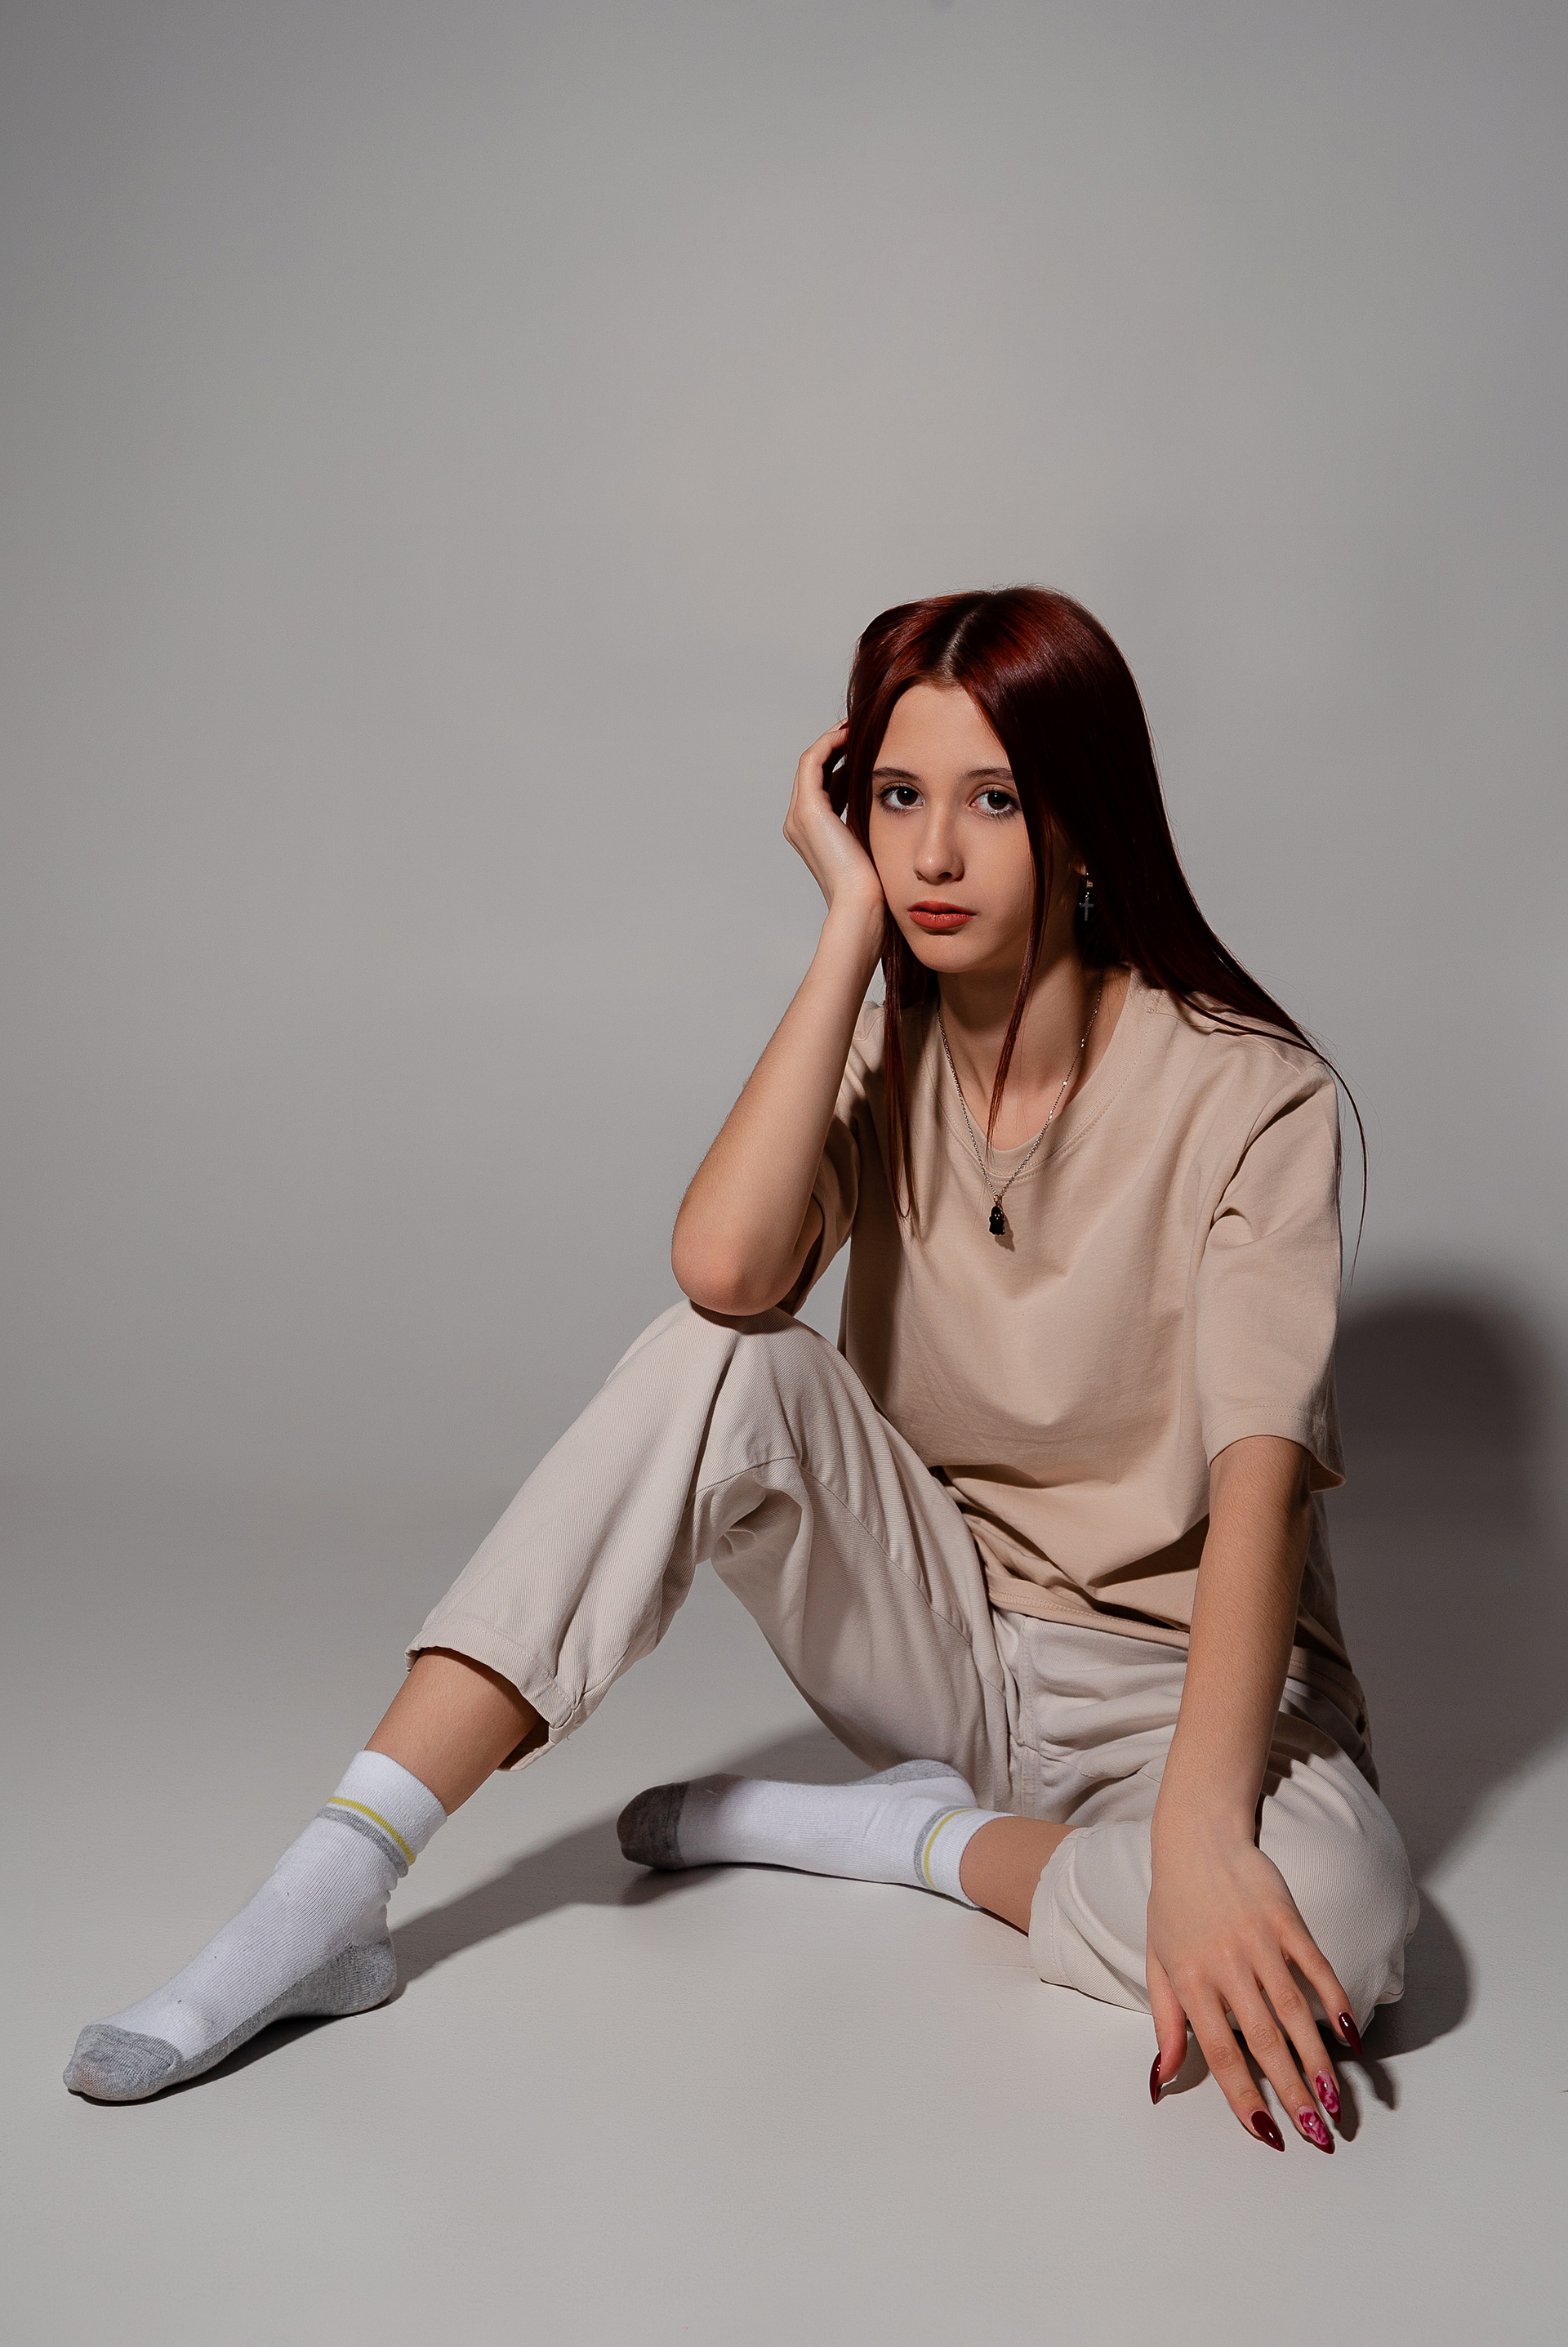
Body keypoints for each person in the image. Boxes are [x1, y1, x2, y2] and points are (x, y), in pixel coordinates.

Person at [65, 587, 1417, 2151]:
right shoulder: (883, 1048)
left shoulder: (1254, 1094)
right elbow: (722, 1272)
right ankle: (333, 1884)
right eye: (897, 798)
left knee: (1343, 1929)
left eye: (993, 800)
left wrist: (1200, 1829)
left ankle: (918, 1844)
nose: (932, 854)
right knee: (721, 1357)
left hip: (1189, 1694)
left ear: (1084, 823)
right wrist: (845, 934)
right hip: (947, 1646)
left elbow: (1262, 1483)